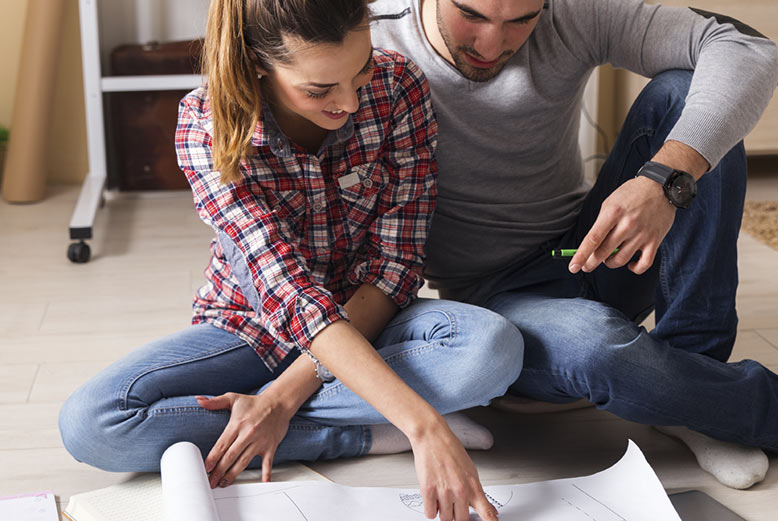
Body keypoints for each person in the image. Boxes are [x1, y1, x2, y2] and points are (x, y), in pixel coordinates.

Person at [368, 0, 778, 490]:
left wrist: (664, 177)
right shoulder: (372, 38)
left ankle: (695, 384)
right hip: (493, 301)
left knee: (687, 92)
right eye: (472, 15)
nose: (493, 42)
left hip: (589, 248)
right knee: (594, 348)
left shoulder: (570, 13)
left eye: (521, 20)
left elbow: (748, 48)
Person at [58, 1, 525, 520]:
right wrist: (424, 425)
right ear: (259, 63)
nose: (349, 100)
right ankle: (364, 432)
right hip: (253, 330)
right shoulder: (205, 124)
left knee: (491, 348)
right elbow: (290, 296)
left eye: (361, 68)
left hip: (373, 319)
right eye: (319, 89)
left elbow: (395, 268)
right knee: (93, 423)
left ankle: (282, 413)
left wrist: (280, 400)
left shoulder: (397, 86)